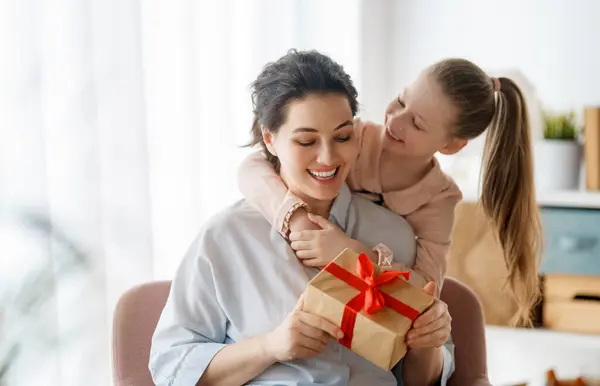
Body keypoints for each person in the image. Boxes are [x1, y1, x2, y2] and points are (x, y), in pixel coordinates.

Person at [149, 49, 454, 386]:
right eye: (306, 140)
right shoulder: (225, 238)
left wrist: (428, 344)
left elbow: (420, 379)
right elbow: (171, 365)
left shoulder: (393, 235)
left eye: (342, 137)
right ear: (270, 138)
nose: (327, 157)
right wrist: (270, 347)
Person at [237, 57, 543, 327]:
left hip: (369, 313)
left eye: (417, 123)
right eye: (401, 100)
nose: (395, 120)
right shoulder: (351, 138)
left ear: (450, 146)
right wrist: (296, 219)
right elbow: (253, 166)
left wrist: (354, 255)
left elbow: (425, 288)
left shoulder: (439, 199)